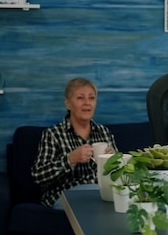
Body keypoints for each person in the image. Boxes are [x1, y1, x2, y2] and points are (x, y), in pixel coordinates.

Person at [32, 77, 117, 209]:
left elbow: (120, 174)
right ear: (68, 104)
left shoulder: (104, 132)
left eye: (91, 98)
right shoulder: (53, 134)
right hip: (66, 195)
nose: (87, 103)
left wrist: (114, 159)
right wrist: (70, 159)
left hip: (100, 194)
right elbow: (38, 176)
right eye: (80, 98)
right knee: (94, 210)